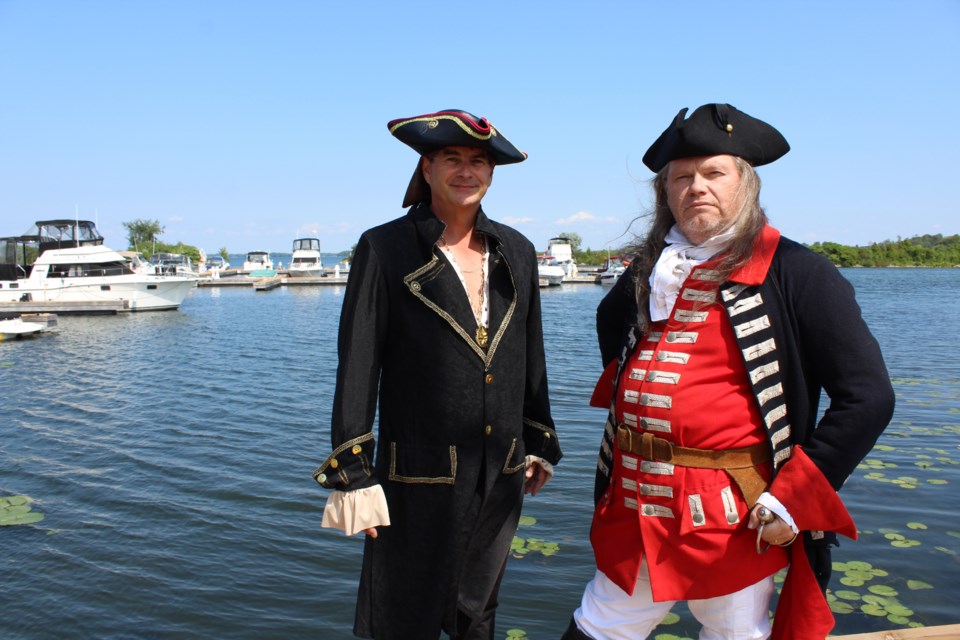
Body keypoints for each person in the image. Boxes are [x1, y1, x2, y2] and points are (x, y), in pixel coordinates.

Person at [562, 104, 895, 640]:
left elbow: (869, 398)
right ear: (665, 193)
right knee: (596, 627)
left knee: (735, 632)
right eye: (682, 178)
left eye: (714, 173)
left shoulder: (797, 270)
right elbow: (616, 348)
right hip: (635, 504)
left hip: (732, 517)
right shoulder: (648, 273)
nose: (697, 187)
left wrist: (794, 494)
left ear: (746, 184)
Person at [312, 109, 562, 640]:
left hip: (501, 467)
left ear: (491, 174)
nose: (467, 171)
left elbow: (529, 350)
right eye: (453, 159)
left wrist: (538, 437)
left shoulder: (515, 249)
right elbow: (358, 364)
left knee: (479, 614)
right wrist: (354, 470)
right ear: (427, 168)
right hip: (416, 472)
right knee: (402, 615)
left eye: (479, 161)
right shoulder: (384, 247)